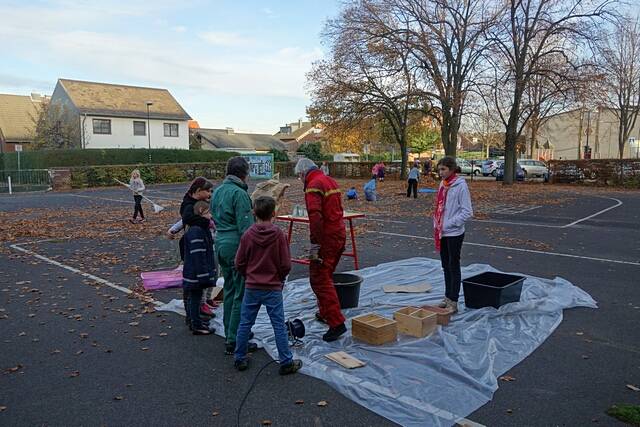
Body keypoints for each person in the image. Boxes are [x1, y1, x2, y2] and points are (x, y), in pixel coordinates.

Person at [233, 196, 302, 375]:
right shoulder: (279, 235)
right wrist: (279, 278)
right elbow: (286, 264)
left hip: (252, 286)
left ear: (254, 212)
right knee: (278, 325)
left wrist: (248, 275)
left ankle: (239, 357)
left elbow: (239, 262)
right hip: (272, 287)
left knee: (245, 323)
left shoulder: (248, 234)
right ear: (274, 213)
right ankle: (286, 361)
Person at [294, 158, 347, 342]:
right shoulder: (329, 180)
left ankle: (336, 322)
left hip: (326, 238)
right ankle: (326, 313)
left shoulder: (313, 186)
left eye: (299, 177)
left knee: (319, 279)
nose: (300, 180)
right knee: (326, 275)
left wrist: (315, 245)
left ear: (302, 173)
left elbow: (315, 217)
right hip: (339, 233)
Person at [211, 157, 257, 355]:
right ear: (244, 173)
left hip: (220, 242)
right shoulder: (239, 194)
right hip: (235, 244)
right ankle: (236, 337)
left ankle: (230, 329)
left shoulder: (218, 191)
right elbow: (246, 229)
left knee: (229, 288)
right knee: (241, 293)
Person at [433, 157, 473, 313]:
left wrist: (449, 223)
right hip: (442, 232)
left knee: (453, 266)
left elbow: (467, 212)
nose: (440, 172)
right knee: (445, 266)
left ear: (451, 170)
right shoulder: (442, 184)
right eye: (439, 169)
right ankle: (447, 296)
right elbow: (440, 206)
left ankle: (454, 301)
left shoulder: (460, 186)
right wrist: (437, 223)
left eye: (443, 169)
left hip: (454, 233)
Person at [179, 177, 217, 323]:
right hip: (194, 247)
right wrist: (207, 222)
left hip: (199, 245)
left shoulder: (198, 204)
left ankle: (197, 310)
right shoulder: (189, 206)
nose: (209, 194)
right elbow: (187, 219)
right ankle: (193, 315)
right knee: (193, 284)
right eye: (207, 191)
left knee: (196, 284)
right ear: (198, 191)